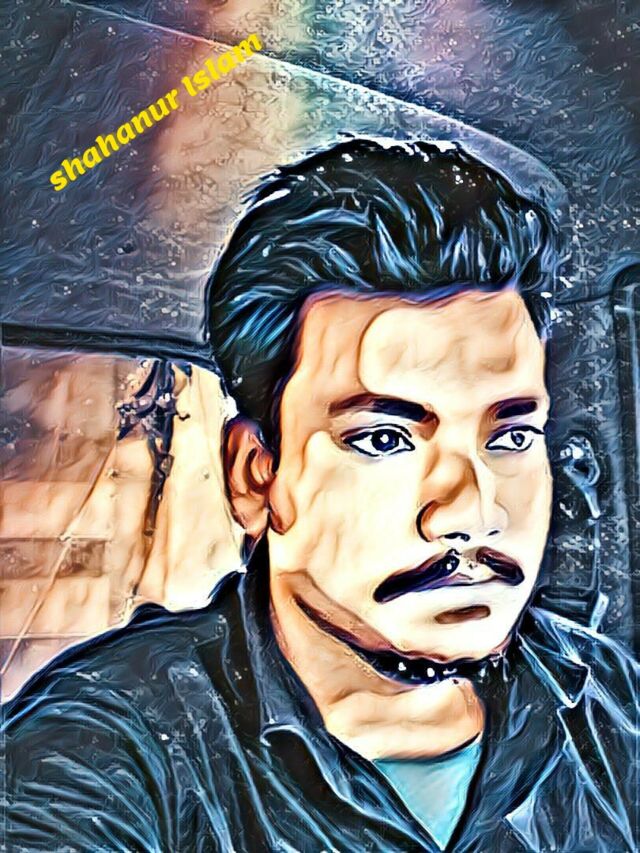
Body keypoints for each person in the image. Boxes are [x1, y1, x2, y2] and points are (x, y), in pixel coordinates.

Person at [2, 138, 637, 853]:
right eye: (384, 439)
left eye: (512, 435)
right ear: (256, 477)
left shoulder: (611, 706)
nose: (472, 512)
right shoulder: (106, 751)